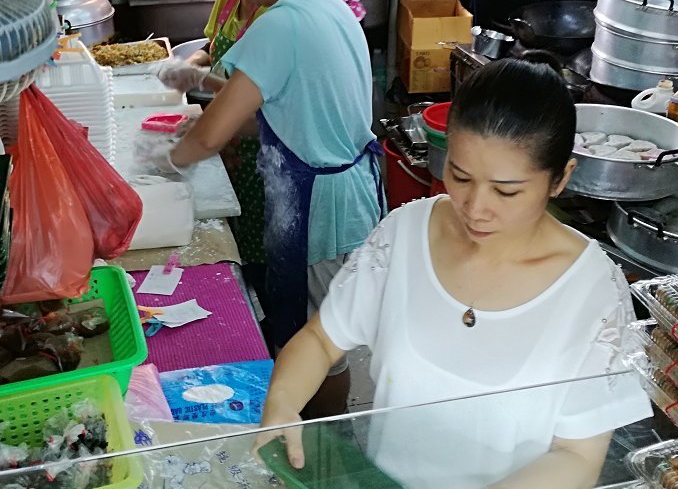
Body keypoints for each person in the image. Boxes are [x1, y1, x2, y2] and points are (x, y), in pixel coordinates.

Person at [256, 53, 652, 489]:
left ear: (560, 179)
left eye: (506, 191)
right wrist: (282, 404)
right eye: (460, 177)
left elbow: (577, 456)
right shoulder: (405, 235)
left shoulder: (592, 292)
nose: (476, 208)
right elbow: (320, 339)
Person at [141, 0, 385, 418]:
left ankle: (321, 443)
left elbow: (213, 134)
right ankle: (319, 433)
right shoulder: (329, 6)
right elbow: (280, 116)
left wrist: (161, 163)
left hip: (318, 205)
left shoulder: (281, 21)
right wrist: (204, 85)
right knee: (322, 334)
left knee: (315, 346)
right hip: (349, 194)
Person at [159, 0, 269, 293]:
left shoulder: (271, 15)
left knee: (259, 235)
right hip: (229, 131)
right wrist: (189, 66)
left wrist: (170, 156)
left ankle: (258, 296)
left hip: (259, 140)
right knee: (232, 220)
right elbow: (210, 46)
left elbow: (256, 95)